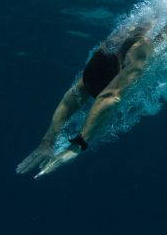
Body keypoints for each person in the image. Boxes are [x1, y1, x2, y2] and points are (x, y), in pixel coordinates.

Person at [16, 22, 159, 179]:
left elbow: (111, 97)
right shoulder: (106, 50)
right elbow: (72, 97)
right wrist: (48, 141)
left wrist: (78, 146)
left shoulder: (139, 55)